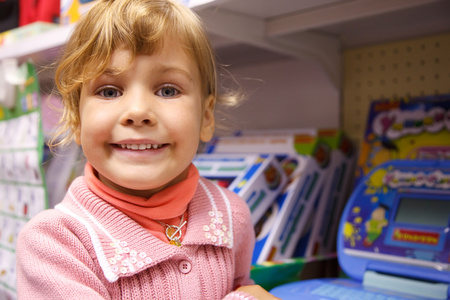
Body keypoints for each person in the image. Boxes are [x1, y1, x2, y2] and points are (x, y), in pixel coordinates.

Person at [16, 0, 279, 299]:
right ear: (76, 119)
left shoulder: (232, 215)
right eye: (109, 91)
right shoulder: (54, 244)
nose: (139, 111)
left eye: (167, 90)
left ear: (206, 117)